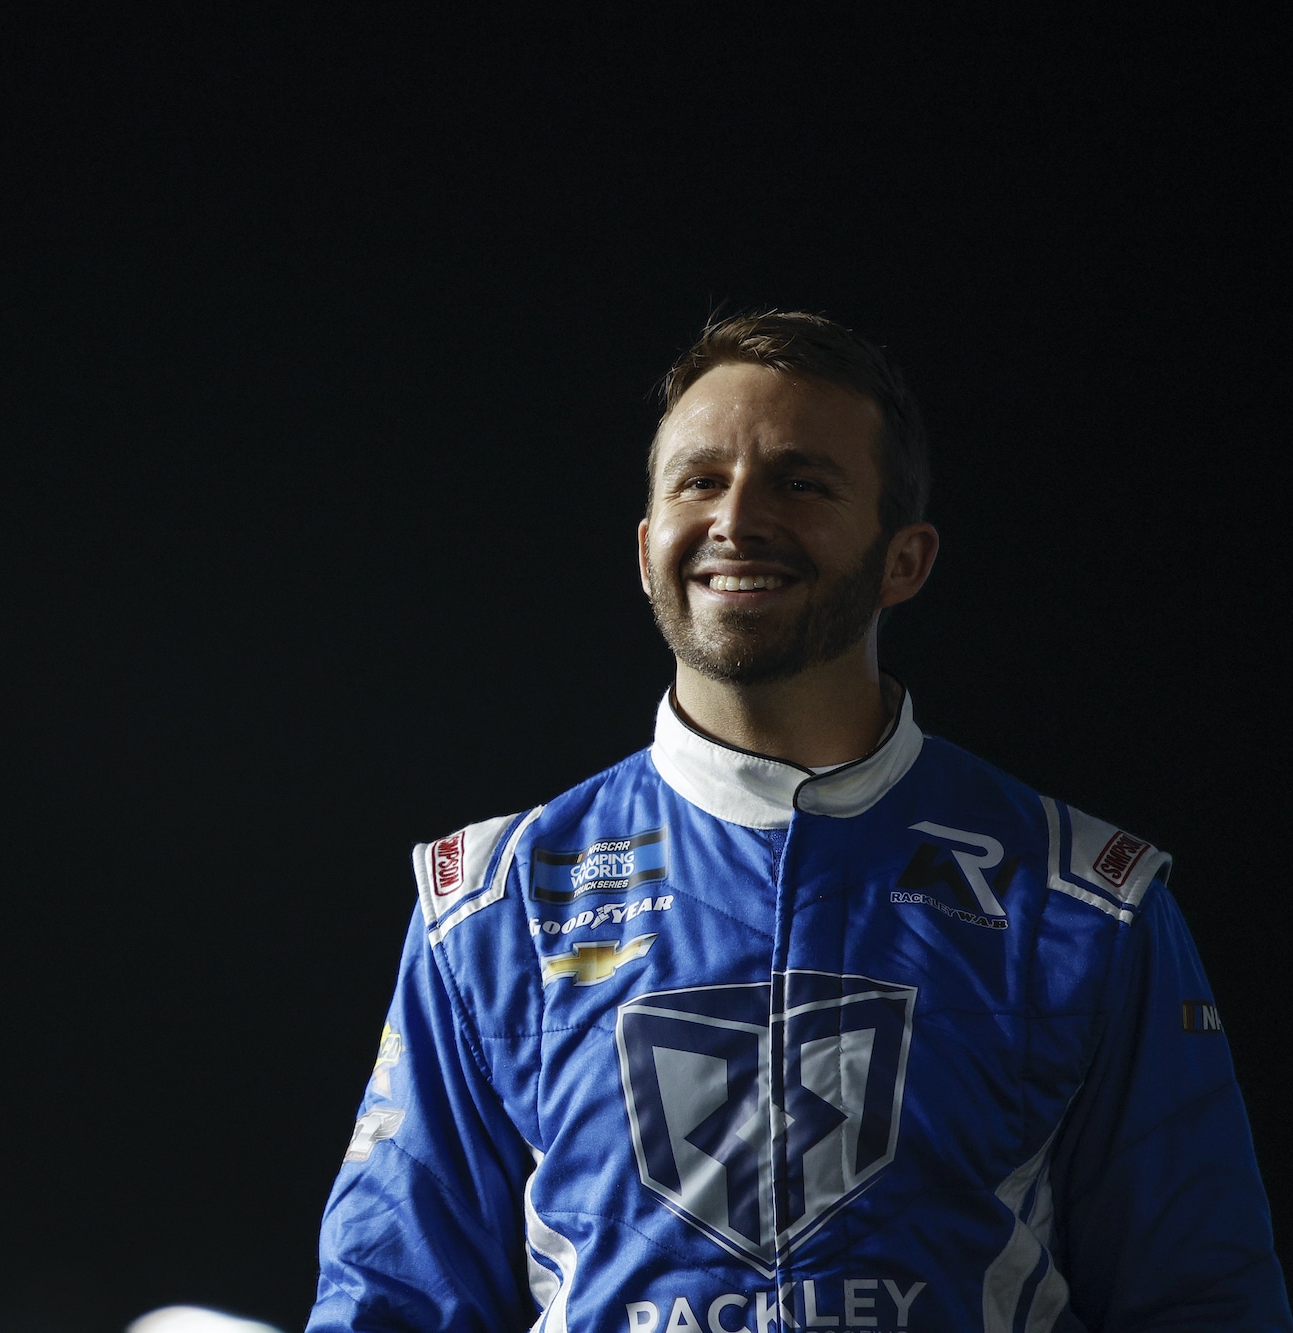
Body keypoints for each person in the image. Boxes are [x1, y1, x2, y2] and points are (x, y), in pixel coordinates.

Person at [307, 312, 1290, 1332]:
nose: (736, 518)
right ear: (646, 550)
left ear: (902, 560)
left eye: (799, 482)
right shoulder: (494, 907)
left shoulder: (1083, 902)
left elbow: (1201, 1303)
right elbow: (390, 1303)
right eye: (698, 480)